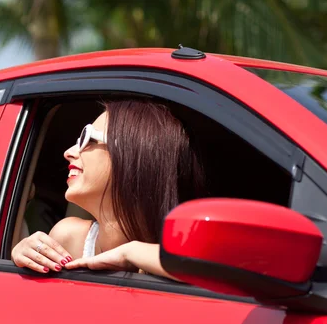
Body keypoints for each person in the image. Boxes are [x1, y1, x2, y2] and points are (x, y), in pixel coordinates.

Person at [11, 99, 207, 280]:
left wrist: (131, 253)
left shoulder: (185, 244)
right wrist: (21, 258)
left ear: (133, 157)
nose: (69, 152)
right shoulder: (68, 236)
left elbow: (217, 271)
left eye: (87, 138)